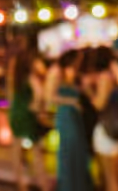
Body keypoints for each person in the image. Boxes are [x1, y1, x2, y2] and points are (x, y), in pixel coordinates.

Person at [85, 46, 118, 191]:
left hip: (108, 128)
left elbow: (99, 104)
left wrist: (89, 91)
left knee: (111, 178)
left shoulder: (105, 77)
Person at [8, 47, 49, 191]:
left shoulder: (15, 77)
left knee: (17, 150)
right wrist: (36, 108)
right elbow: (40, 94)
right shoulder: (31, 77)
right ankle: (44, 185)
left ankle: (21, 184)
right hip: (28, 114)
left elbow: (11, 96)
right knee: (36, 150)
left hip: (15, 113)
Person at [53, 50, 93, 191]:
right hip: (66, 115)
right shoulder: (57, 72)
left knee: (79, 151)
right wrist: (71, 102)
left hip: (76, 117)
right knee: (68, 151)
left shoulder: (76, 74)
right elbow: (49, 96)